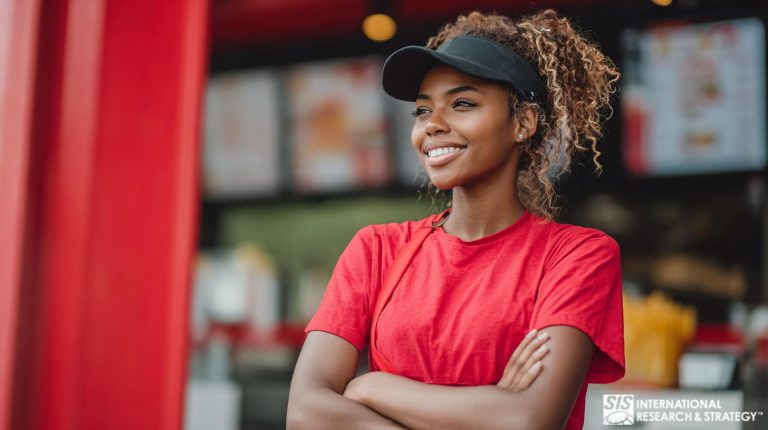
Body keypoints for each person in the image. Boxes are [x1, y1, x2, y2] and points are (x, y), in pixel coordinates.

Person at [288, 8, 624, 430]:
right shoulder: (376, 250)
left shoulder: (576, 256)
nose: (433, 125)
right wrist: (490, 407)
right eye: (423, 111)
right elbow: (305, 412)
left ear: (522, 122)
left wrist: (370, 388)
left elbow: (529, 419)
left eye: (462, 103)